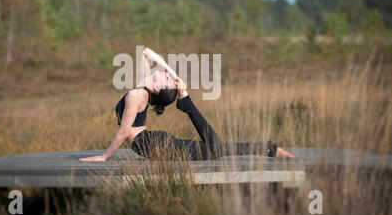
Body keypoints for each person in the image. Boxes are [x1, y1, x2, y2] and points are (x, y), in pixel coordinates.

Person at [79, 47, 294, 162]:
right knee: (216, 149)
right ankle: (269, 149)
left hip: (152, 144)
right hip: (149, 143)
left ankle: (269, 149)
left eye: (166, 78)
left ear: (156, 88)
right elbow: (146, 52)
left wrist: (104, 156)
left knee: (216, 149)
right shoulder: (139, 90)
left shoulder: (139, 93)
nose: (164, 74)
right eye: (166, 77)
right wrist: (173, 73)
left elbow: (124, 132)